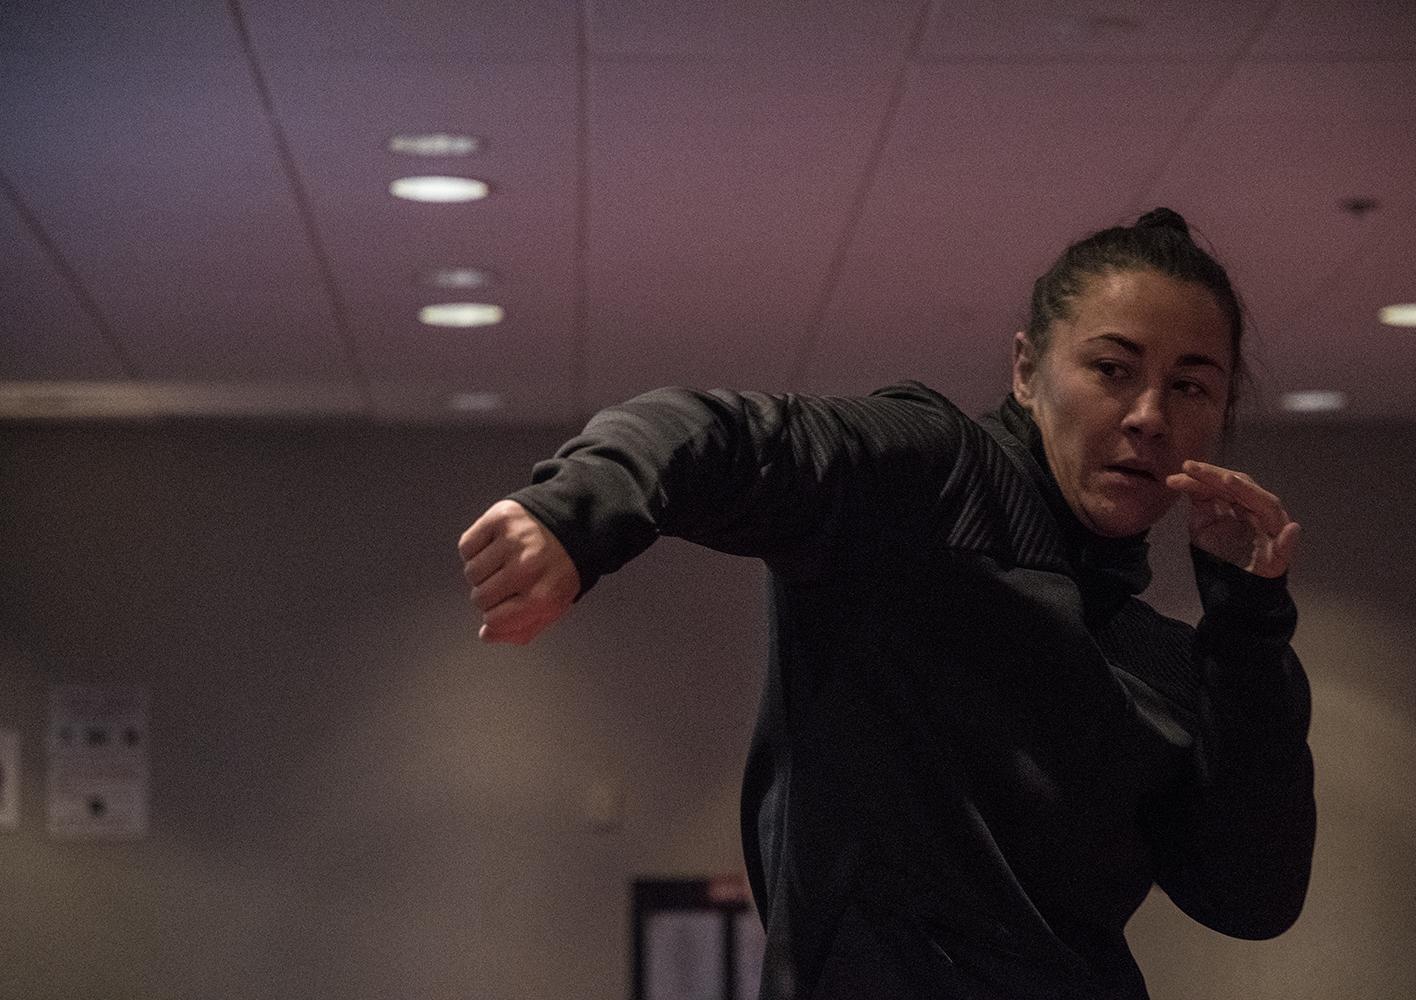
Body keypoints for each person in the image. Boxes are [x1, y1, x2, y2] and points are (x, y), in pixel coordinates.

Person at [458, 208, 1315, 999]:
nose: (1147, 416)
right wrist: (572, 516)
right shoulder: (933, 482)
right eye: (1110, 369)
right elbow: (733, 436)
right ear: (1026, 370)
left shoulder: (1165, 660)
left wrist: (1248, 627)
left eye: (1191, 387)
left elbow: (1251, 897)